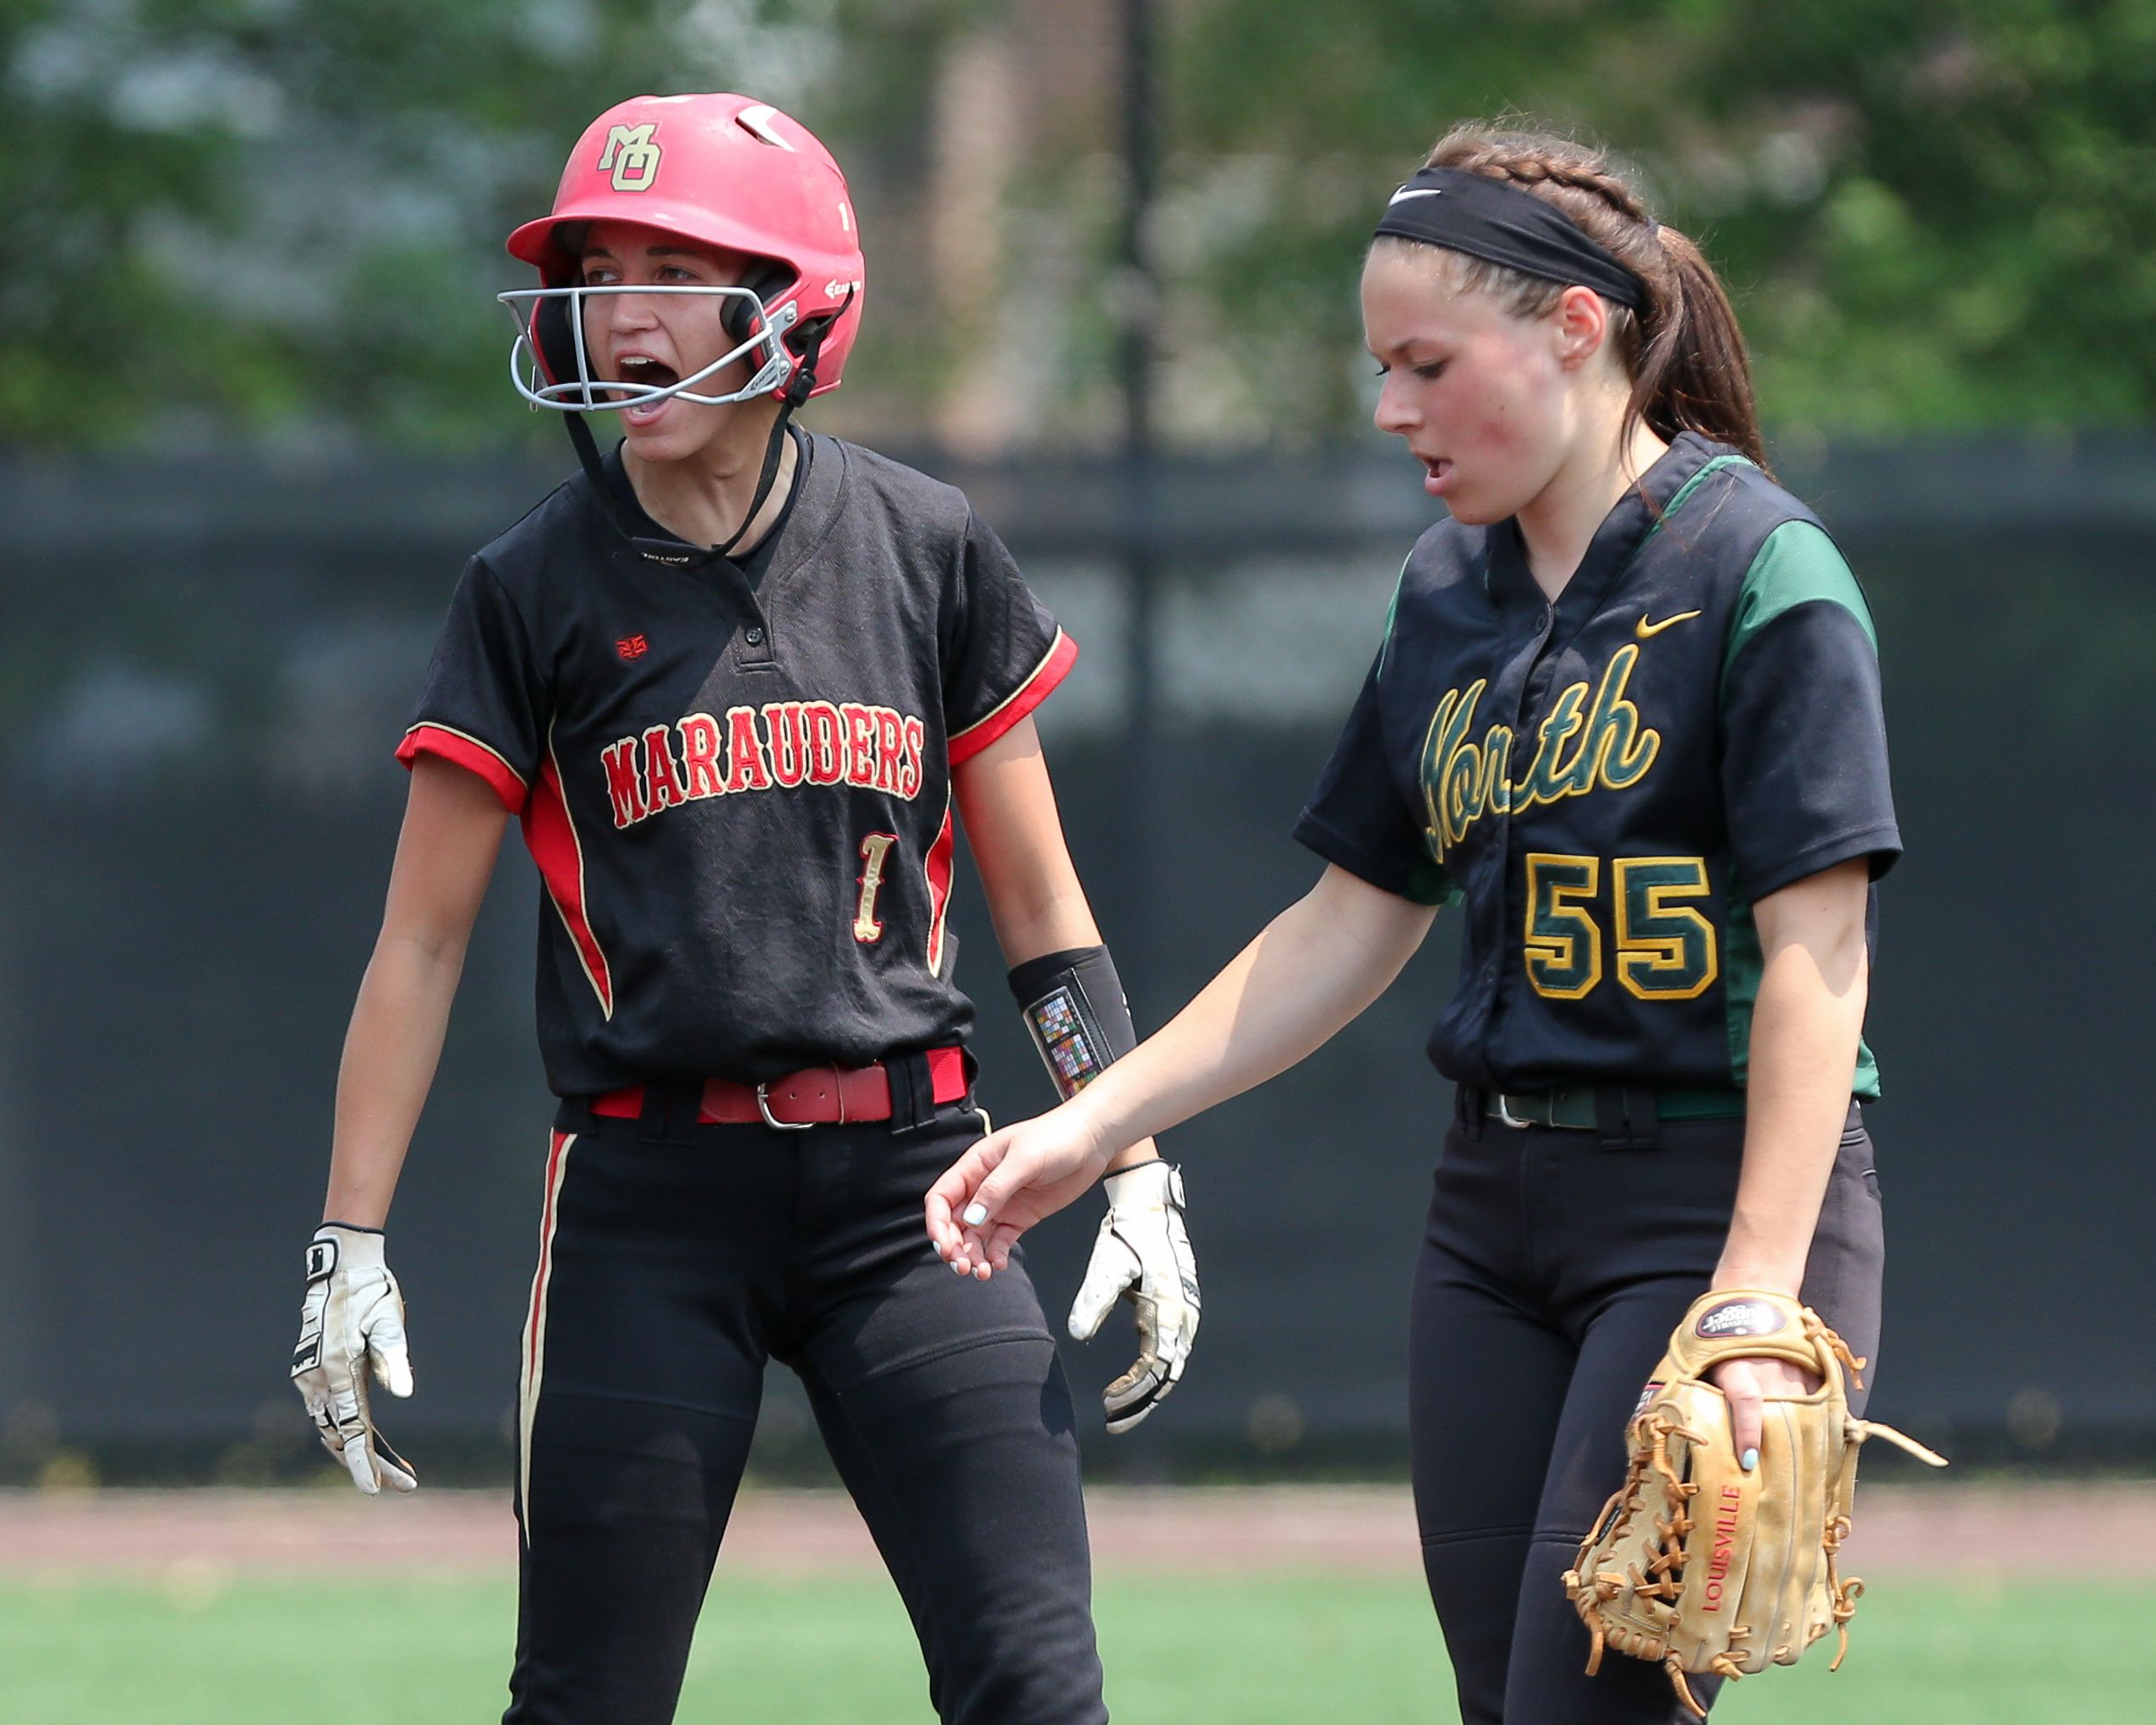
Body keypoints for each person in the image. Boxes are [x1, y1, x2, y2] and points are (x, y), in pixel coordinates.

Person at [928, 123, 1897, 1724]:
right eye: (1382, 368)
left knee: (1581, 1708)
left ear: (1574, 331)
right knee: (1499, 1702)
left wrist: (1752, 1296)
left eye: (1425, 364)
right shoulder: (1447, 591)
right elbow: (1346, 921)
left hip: (1705, 1196)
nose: (1391, 409)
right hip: (1491, 1217)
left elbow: (1820, 958)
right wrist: (1092, 1125)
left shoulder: (1760, 570)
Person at [287, 91, 1201, 1725]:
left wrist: (1130, 1155)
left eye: (668, 264)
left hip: (922, 1193)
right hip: (649, 1193)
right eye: (595, 267)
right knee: (585, 1703)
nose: (617, 310)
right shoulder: (530, 585)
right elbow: (416, 944)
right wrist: (348, 1237)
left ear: (796, 305)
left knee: (1039, 1691)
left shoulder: (926, 546)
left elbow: (1042, 913)